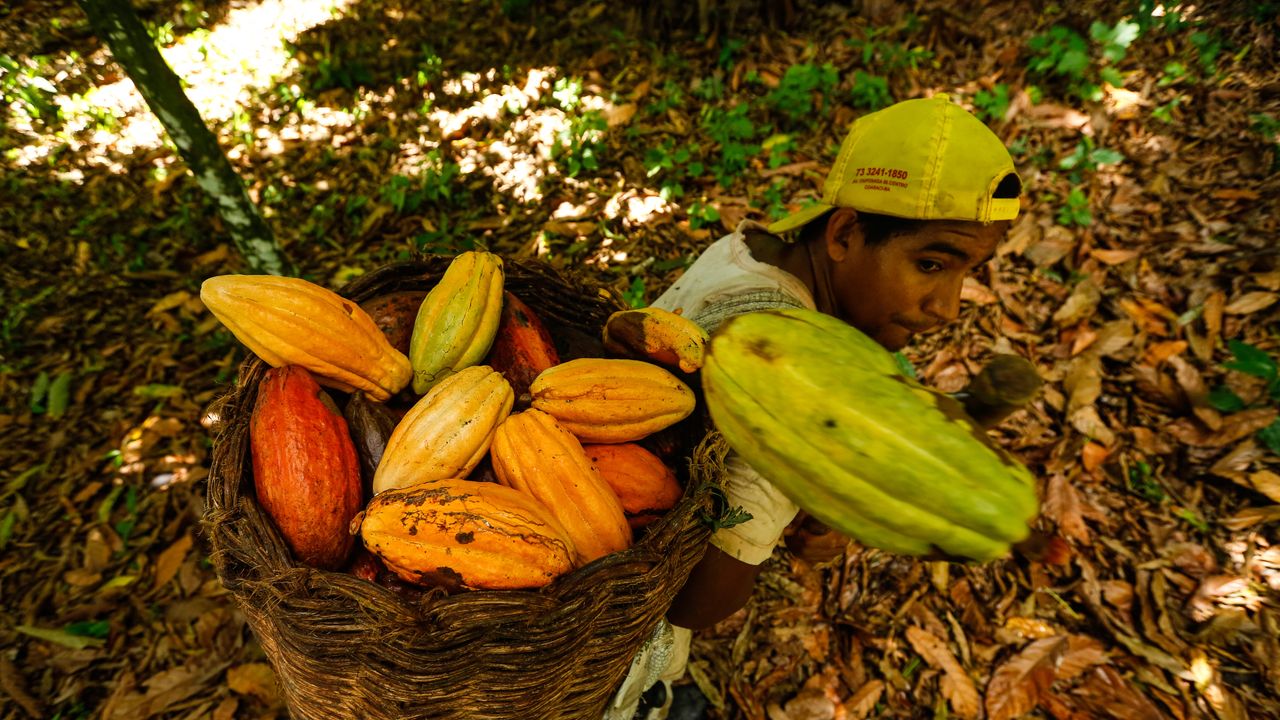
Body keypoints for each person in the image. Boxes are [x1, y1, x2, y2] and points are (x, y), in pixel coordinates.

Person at [605, 93, 1035, 720]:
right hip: (613, 657)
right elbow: (693, 605)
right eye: (931, 263)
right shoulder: (781, 383)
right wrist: (798, 483)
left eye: (966, 271)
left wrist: (824, 489)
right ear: (845, 232)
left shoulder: (752, 249)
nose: (949, 305)